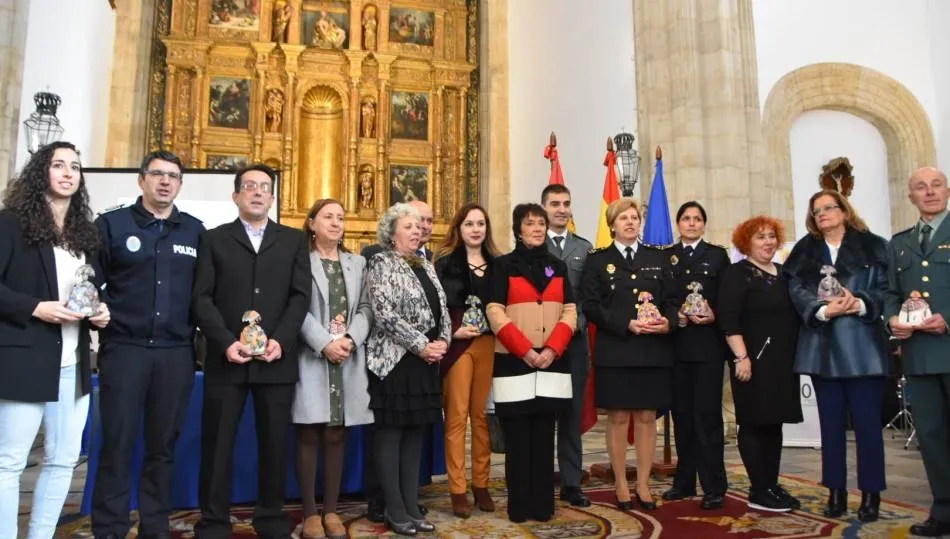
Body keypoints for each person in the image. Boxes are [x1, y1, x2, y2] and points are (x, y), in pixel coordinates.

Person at [191, 164, 311, 539]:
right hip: (226, 360)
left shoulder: (292, 240)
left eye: (264, 187)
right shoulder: (213, 239)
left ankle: (271, 517)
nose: (257, 192)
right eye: (249, 187)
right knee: (217, 443)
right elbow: (201, 299)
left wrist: (282, 340)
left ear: (272, 197)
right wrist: (226, 341)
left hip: (276, 360)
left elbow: (300, 296)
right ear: (236, 196)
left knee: (275, 443)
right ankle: (213, 520)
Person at [91, 150, 205, 539]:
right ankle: (110, 527)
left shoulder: (194, 231)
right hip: (125, 349)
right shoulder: (112, 225)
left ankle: (155, 527)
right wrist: (94, 308)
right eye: (157, 174)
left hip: (175, 354)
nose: (164, 182)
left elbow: (207, 293)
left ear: (179, 184)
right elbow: (85, 281)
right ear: (141, 179)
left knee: (162, 448)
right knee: (118, 443)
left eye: (172, 176)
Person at [0, 141, 110, 539]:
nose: (67, 173)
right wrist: (35, 307)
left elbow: (90, 288)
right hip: (25, 355)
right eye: (58, 165)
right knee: (9, 462)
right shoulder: (11, 223)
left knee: (63, 459)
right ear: (39, 173)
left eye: (75, 167)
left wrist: (101, 312)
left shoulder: (84, 233)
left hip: (74, 359)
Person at [783, 190, 889, 521]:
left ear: (844, 210)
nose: (824, 214)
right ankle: (836, 491)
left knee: (868, 426)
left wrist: (859, 303)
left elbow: (887, 288)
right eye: (817, 211)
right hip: (821, 345)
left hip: (863, 347)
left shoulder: (873, 245)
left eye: (830, 208)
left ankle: (871, 495)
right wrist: (822, 309)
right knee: (829, 426)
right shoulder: (805, 249)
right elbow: (795, 289)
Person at [580, 198, 675, 510]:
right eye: (623, 218)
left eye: (635, 217)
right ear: (612, 225)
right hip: (616, 348)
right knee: (619, 417)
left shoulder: (658, 258)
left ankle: (644, 484)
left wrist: (667, 323)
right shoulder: (597, 261)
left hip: (652, 349)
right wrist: (625, 324)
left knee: (647, 417)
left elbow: (672, 300)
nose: (630, 222)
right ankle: (621, 482)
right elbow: (591, 305)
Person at [487, 203, 577, 523]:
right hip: (515, 361)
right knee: (518, 438)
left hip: (552, 361)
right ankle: (519, 507)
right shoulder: (503, 266)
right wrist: (525, 349)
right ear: (518, 229)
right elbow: (495, 311)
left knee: (543, 436)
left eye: (541, 223)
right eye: (530, 223)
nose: (538, 228)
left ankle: (543, 506)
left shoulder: (558, 266)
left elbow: (570, 311)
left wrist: (553, 348)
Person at [364, 203, 449, 535]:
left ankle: (412, 505)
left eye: (419, 226)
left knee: (415, 435)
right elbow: (384, 314)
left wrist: (442, 342)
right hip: (395, 363)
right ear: (392, 231)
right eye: (409, 226)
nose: (417, 230)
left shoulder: (425, 264)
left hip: (425, 363)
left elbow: (442, 309)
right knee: (391, 436)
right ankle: (394, 509)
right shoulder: (380, 262)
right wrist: (421, 344)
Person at [293, 199, 373, 539]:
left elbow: (367, 307)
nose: (336, 223)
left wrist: (351, 340)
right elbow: (293, 304)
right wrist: (324, 342)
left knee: (337, 432)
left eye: (340, 218)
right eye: (328, 217)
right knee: (310, 430)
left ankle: (331, 511)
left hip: (348, 357)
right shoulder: (299, 261)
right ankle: (310, 513)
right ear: (312, 223)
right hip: (312, 355)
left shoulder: (358, 263)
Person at [718, 215, 802, 513]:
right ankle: (758, 489)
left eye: (771, 236)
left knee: (773, 422)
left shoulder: (784, 272)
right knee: (754, 422)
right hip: (751, 362)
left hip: (782, 363)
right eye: (759, 237)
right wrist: (741, 357)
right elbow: (728, 319)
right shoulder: (736, 274)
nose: (767, 242)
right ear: (746, 243)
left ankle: (771, 483)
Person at [883, 167, 950, 537]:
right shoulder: (899, 242)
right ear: (910, 196)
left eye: (936, 185)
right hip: (920, 355)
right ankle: (943, 510)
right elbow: (891, 291)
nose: (929, 192)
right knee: (932, 435)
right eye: (921, 187)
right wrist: (891, 318)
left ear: (948, 190)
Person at [662, 201, 730, 510]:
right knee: (683, 420)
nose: (691, 223)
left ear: (704, 224)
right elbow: (663, 297)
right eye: (686, 219)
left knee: (708, 419)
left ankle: (714, 486)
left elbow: (727, 299)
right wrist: (675, 314)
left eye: (697, 218)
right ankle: (684, 482)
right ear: (678, 224)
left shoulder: (717, 256)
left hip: (707, 349)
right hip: (677, 348)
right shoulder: (667, 257)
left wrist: (713, 313)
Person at [433, 203, 500, 518]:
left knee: (482, 416)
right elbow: (434, 306)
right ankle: (458, 489)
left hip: (488, 343)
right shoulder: (445, 262)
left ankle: (482, 484)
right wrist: (453, 331)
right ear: (458, 229)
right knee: (458, 416)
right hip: (459, 345)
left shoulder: (498, 264)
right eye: (470, 224)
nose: (476, 229)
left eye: (481, 224)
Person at [540, 184, 592, 507]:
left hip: (573, 343)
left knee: (571, 416)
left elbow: (588, 298)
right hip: (541, 346)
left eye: (566, 204)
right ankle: (542, 479)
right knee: (544, 415)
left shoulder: (584, 249)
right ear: (543, 207)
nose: (561, 209)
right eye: (554, 203)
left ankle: (572, 483)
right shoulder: (532, 246)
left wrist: (573, 325)